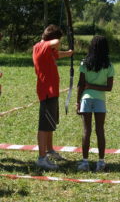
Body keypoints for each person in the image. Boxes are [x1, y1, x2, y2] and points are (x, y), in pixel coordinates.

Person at [33, 24, 73, 170]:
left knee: (50, 123)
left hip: (52, 91)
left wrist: (68, 53)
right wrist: (58, 40)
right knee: (44, 126)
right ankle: (41, 158)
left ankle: (49, 150)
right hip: (47, 91)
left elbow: (56, 53)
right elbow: (54, 43)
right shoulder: (42, 46)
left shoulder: (46, 49)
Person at [76, 35, 114, 171]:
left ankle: (85, 162)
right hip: (100, 100)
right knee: (100, 130)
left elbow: (81, 84)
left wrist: (78, 102)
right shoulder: (108, 65)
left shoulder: (84, 63)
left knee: (87, 130)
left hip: (85, 99)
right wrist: (94, 87)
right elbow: (108, 88)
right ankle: (101, 162)